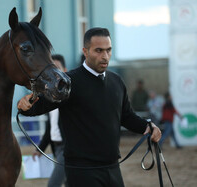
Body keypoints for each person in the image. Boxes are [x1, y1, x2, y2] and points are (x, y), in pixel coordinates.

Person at [18, 27, 161, 187]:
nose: (105, 56)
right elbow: (36, 107)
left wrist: (148, 126)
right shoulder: (67, 82)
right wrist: (25, 106)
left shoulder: (117, 82)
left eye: (108, 50)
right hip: (81, 172)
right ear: (85, 51)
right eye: (98, 51)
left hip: (113, 167)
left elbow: (126, 116)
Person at [32, 54, 67, 187]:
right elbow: (50, 128)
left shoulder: (71, 96)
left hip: (68, 148)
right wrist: (40, 149)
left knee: (53, 184)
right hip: (56, 148)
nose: (54, 72)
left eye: (57, 68)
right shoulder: (50, 97)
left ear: (65, 70)